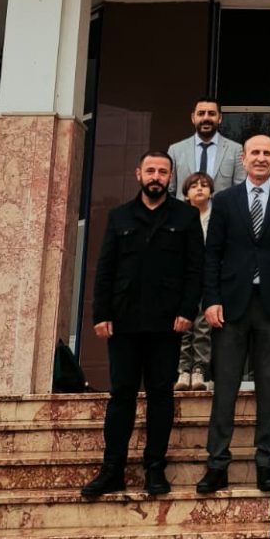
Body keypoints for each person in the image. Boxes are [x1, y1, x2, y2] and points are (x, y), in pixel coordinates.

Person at [81, 150, 205, 499]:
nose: (156, 177)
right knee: (121, 395)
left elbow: (195, 268)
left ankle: (154, 468)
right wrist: (100, 314)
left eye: (162, 172)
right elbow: (106, 268)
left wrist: (187, 310)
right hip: (124, 322)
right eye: (150, 170)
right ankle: (112, 469)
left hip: (167, 323)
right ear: (139, 174)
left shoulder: (185, 216)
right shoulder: (120, 216)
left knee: (161, 396)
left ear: (170, 177)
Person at [195, 135, 270, 495]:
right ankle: (217, 464)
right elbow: (212, 254)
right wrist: (211, 300)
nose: (261, 158)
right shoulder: (225, 200)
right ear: (243, 159)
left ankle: (265, 463)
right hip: (230, 306)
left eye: (267, 153)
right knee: (225, 387)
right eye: (254, 152)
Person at [176, 171, 215, 389]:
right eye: (193, 186)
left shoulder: (217, 218)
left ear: (211, 192)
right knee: (184, 325)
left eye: (204, 185)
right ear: (185, 194)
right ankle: (183, 370)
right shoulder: (180, 218)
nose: (199, 189)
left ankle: (199, 370)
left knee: (203, 326)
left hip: (208, 278)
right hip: (184, 279)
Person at [168, 97, 246, 198]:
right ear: (193, 118)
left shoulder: (235, 150)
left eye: (211, 114)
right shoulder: (175, 150)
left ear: (220, 118)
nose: (206, 118)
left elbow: (240, 190)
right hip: (184, 208)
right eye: (201, 113)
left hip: (220, 208)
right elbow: (170, 190)